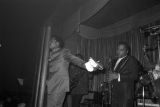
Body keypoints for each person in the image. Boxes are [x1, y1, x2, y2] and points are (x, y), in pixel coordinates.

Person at [46, 36, 98, 107]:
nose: (49, 42)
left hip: (58, 85)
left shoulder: (63, 52)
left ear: (57, 43)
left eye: (51, 41)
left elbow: (74, 59)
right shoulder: (47, 54)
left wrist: (86, 65)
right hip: (49, 85)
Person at [108, 42, 139, 107]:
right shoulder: (115, 61)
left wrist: (118, 76)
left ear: (127, 51)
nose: (118, 51)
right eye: (118, 49)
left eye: (121, 50)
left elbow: (135, 76)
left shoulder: (131, 59)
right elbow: (114, 74)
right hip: (115, 93)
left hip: (125, 94)